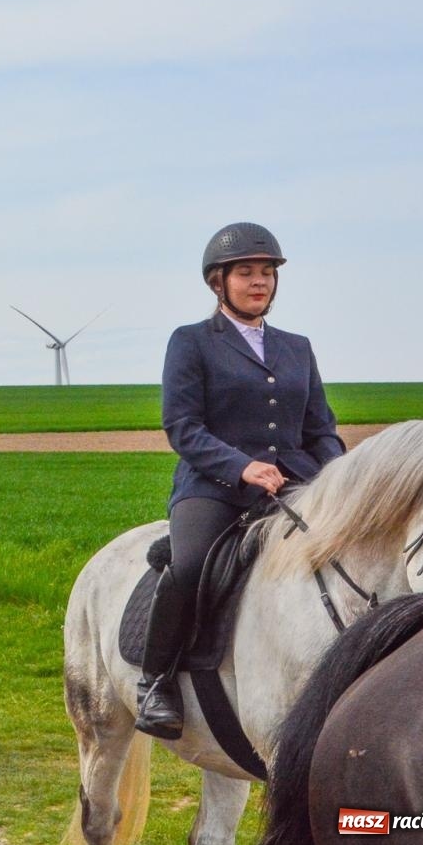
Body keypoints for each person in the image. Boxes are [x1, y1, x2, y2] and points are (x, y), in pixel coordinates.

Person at [135, 222, 345, 740]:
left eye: (267, 272)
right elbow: (182, 426)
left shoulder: (297, 347)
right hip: (214, 486)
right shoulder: (191, 342)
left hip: (295, 485)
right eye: (247, 272)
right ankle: (156, 681)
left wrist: (340, 477)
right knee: (190, 565)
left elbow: (321, 428)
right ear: (218, 282)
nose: (259, 282)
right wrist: (240, 466)